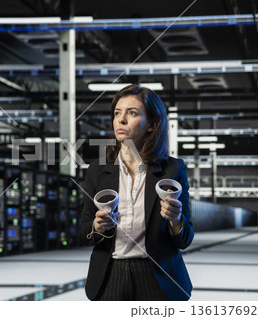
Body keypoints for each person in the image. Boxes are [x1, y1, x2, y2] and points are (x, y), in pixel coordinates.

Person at [78, 84, 194, 301]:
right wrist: (96, 226)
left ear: (151, 124)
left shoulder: (173, 170)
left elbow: (185, 239)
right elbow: (82, 231)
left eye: (132, 113)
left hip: (158, 276)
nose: (121, 120)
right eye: (117, 113)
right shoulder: (97, 170)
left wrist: (176, 219)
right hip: (110, 276)